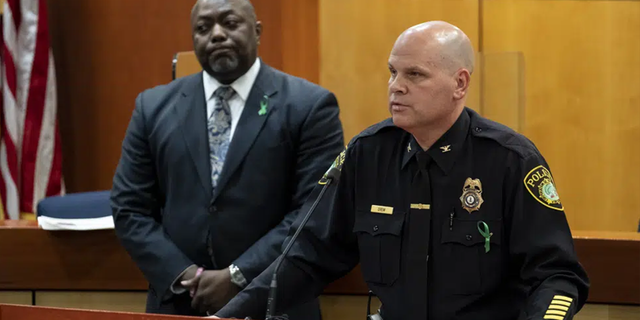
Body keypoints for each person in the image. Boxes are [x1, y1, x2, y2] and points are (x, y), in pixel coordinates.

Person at [214, 21, 590, 320]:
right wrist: (229, 315)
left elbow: (556, 276)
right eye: (393, 72)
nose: (396, 87)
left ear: (460, 83)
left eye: (414, 75)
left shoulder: (510, 161)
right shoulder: (368, 154)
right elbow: (308, 255)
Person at [110, 0, 343, 317]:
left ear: (257, 32)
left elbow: (313, 212)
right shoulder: (152, 108)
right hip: (180, 303)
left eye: (230, 23)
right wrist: (186, 276)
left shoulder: (309, 106)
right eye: (203, 28)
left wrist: (237, 275)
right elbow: (129, 206)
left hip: (274, 301)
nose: (216, 35)